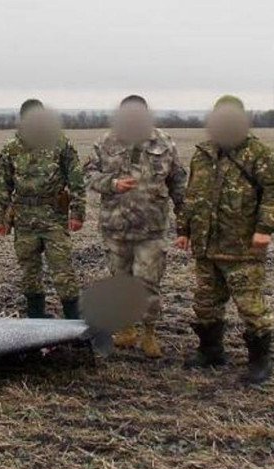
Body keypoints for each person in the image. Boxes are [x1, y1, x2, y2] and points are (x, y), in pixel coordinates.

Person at [175, 95, 274, 384]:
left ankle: (260, 361)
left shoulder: (257, 154)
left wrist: (264, 228)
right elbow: (192, 196)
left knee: (250, 306)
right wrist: (184, 230)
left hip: (241, 247)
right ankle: (210, 350)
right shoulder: (202, 154)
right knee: (205, 303)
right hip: (206, 246)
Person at [84, 95, 187, 358]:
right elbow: (87, 175)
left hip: (151, 229)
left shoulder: (163, 143)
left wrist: (185, 225)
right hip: (115, 228)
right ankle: (127, 329)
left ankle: (149, 333)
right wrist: (112, 184)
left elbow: (178, 182)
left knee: (149, 283)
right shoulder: (105, 142)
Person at [0, 99, 86, 319]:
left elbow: (76, 180)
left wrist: (77, 213)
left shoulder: (60, 143)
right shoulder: (11, 149)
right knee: (29, 274)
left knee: (63, 272)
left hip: (53, 218)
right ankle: (36, 320)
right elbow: (1, 185)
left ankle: (75, 324)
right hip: (24, 220)